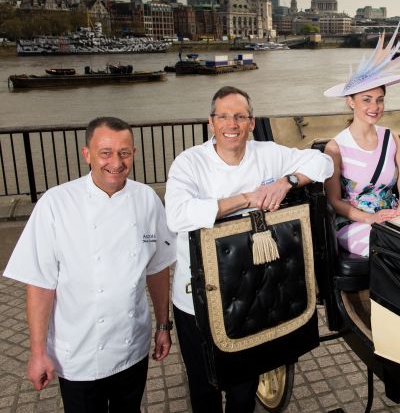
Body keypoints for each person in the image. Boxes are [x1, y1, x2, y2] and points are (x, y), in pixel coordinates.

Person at [165, 86, 333, 413]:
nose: (232, 124)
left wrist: (286, 181)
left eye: (240, 116)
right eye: (224, 116)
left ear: (252, 122)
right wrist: (246, 199)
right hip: (198, 300)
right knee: (204, 390)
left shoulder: (267, 153)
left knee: (243, 390)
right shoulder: (189, 163)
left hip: (251, 294)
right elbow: (177, 215)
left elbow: (322, 161)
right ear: (211, 123)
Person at [3, 117, 176, 413]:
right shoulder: (56, 204)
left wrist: (163, 325)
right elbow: (41, 284)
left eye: (124, 152)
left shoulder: (146, 198)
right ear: (87, 154)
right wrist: (37, 353)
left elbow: (157, 269)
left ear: (134, 152)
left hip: (132, 346)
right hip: (79, 353)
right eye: (105, 153)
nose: (116, 162)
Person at [322, 26, 400, 256]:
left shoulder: (391, 138)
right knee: (391, 250)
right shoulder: (335, 148)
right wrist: (370, 218)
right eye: (367, 100)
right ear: (351, 102)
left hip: (394, 218)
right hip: (355, 224)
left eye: (380, 100)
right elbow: (334, 201)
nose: (375, 107)